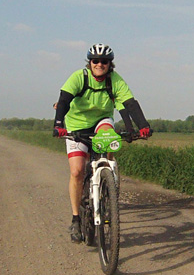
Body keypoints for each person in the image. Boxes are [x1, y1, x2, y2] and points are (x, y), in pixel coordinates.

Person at [53, 43, 152, 242]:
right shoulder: (79, 77)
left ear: (109, 64)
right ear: (90, 62)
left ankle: (107, 181)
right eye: (95, 61)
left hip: (101, 121)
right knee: (77, 172)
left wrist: (143, 126)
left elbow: (129, 103)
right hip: (76, 124)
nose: (100, 64)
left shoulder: (114, 80)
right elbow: (64, 100)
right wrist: (58, 124)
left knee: (108, 136)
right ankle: (75, 219)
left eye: (104, 61)